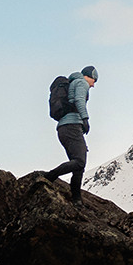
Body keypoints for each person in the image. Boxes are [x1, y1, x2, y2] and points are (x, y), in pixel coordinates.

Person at [47, 65, 96, 200]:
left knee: (78, 166)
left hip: (63, 128)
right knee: (80, 162)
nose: (93, 85)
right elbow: (79, 100)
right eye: (94, 80)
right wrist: (85, 119)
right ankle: (49, 176)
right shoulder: (81, 83)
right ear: (88, 76)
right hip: (72, 126)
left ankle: (76, 199)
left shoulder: (72, 83)